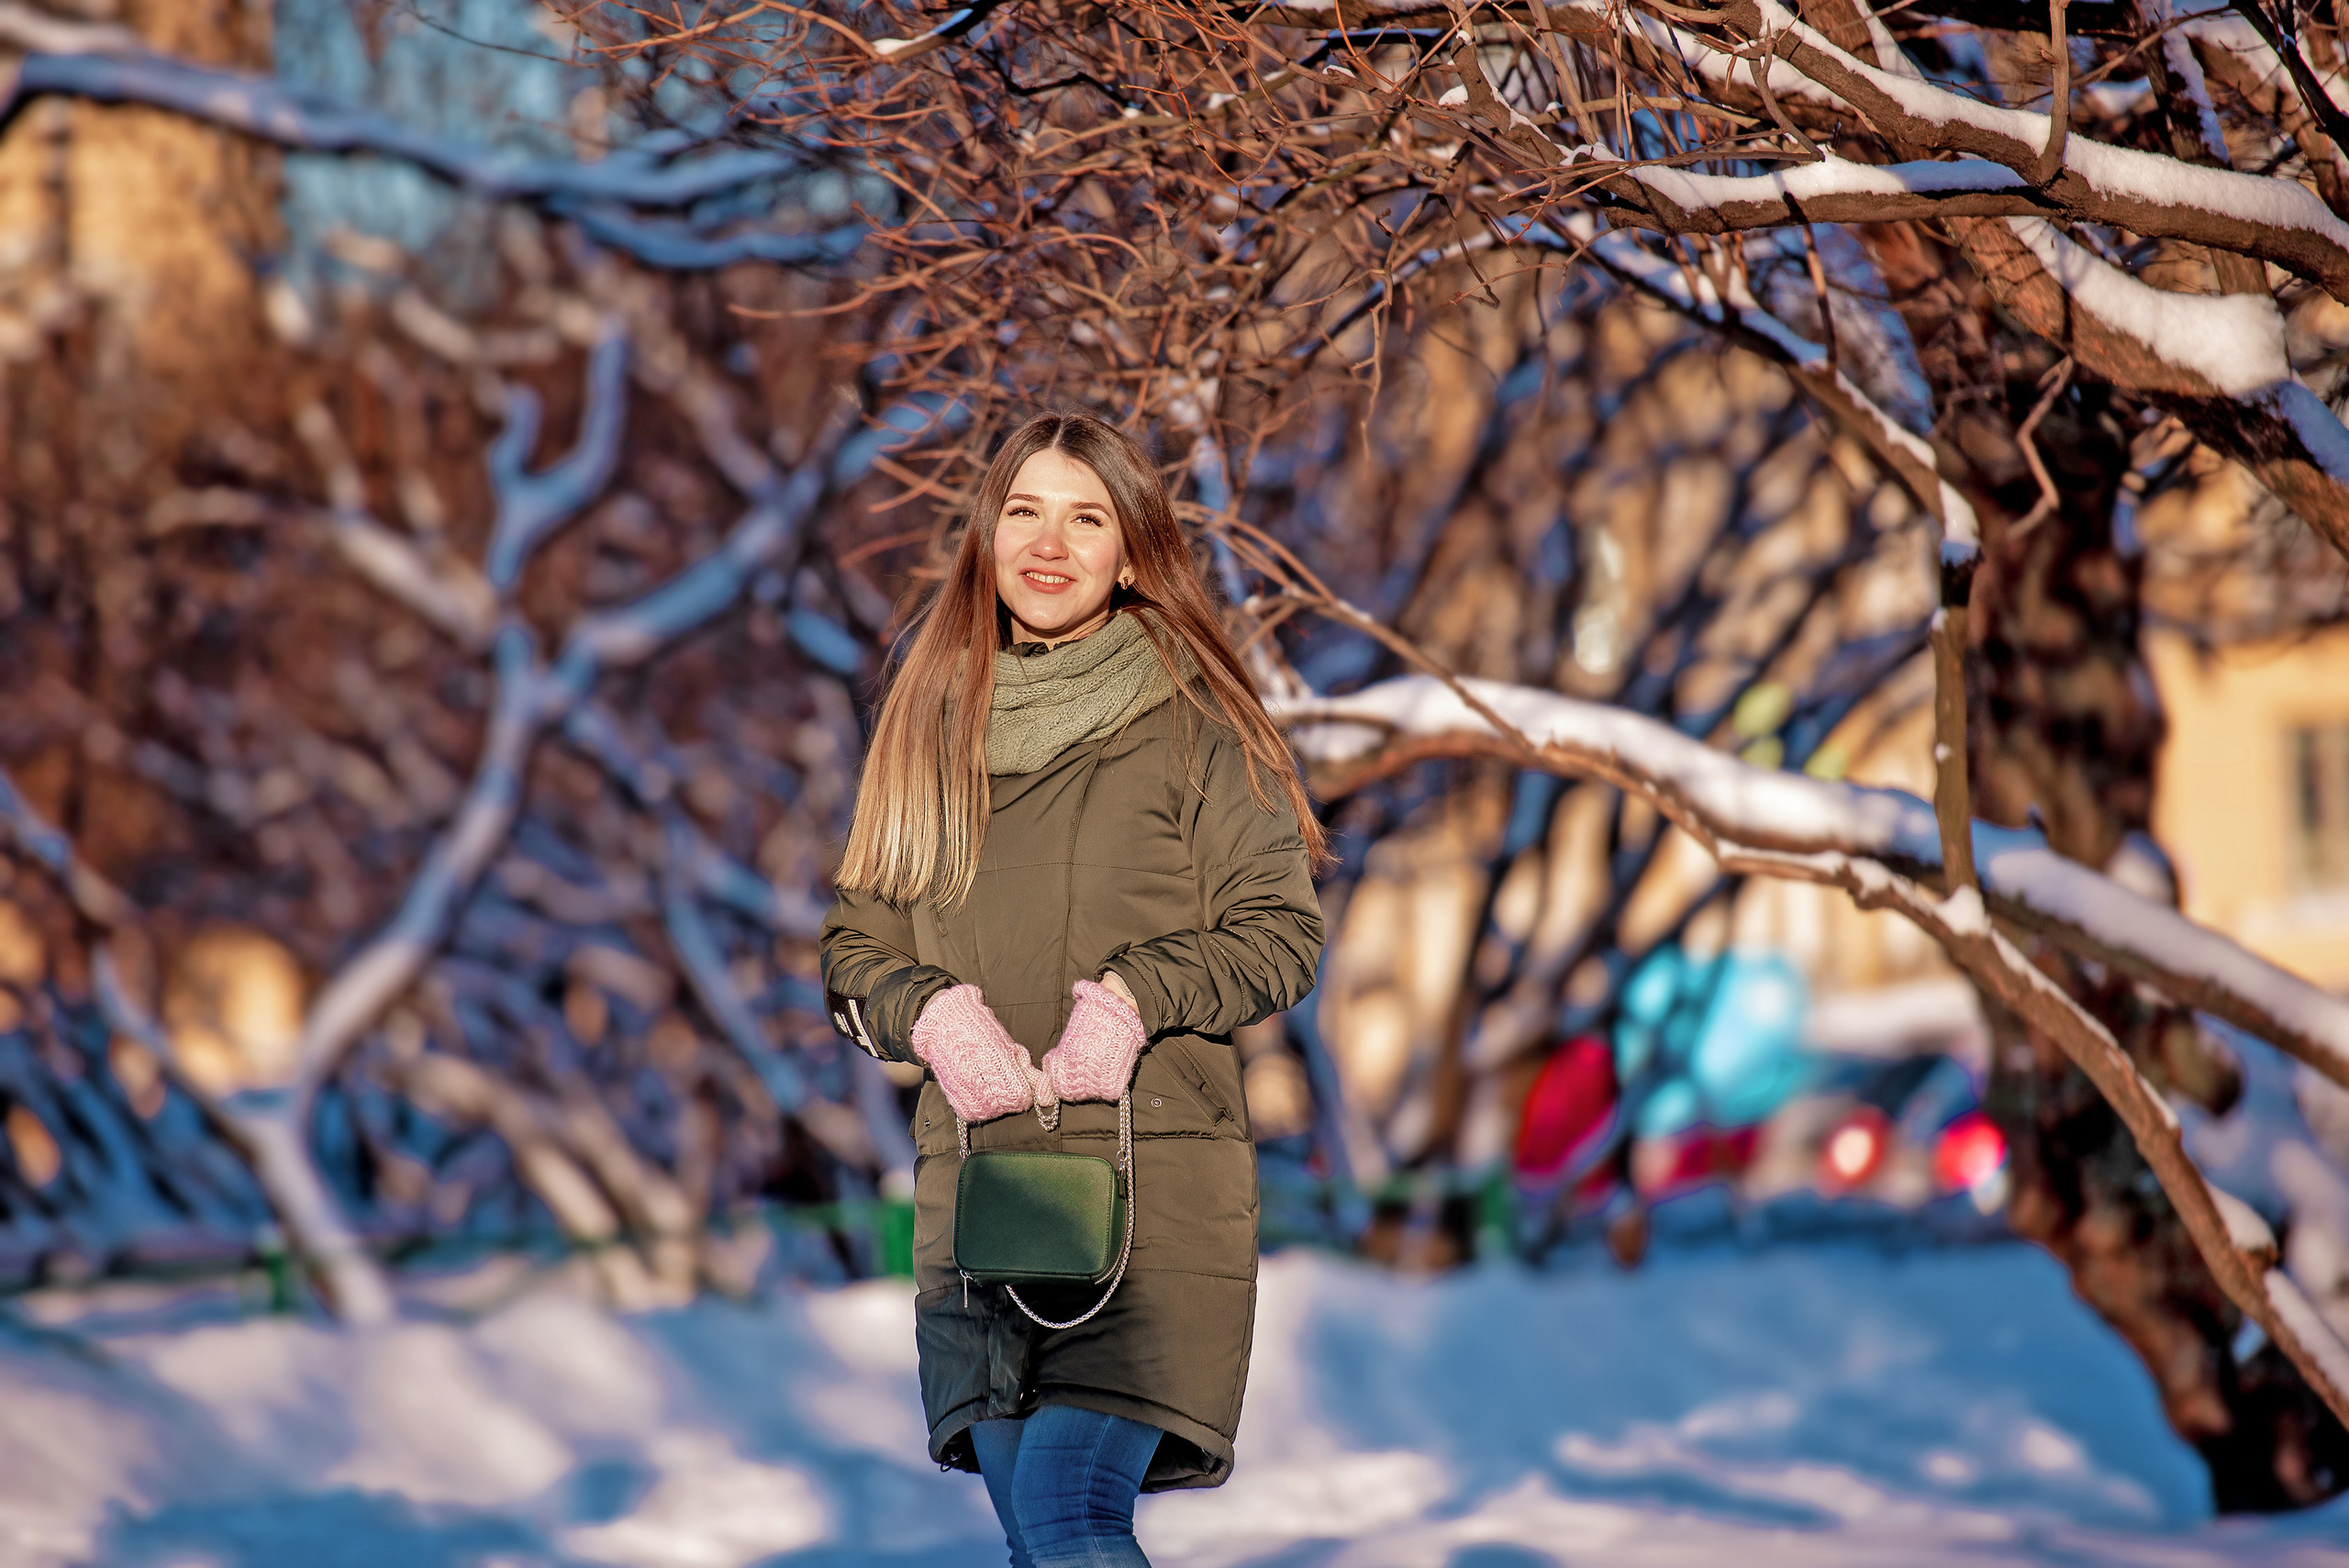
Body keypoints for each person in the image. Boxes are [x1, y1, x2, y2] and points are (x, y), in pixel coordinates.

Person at [819, 412, 1326, 1567]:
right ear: (985, 537)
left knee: (1066, 1513)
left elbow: (1281, 934)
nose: (1050, 543)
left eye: (1086, 516)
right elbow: (854, 950)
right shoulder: (925, 727)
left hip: (1150, 1193)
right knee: (1033, 1537)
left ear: (1132, 551)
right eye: (1025, 511)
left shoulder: (1200, 720)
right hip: (982, 1203)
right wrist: (932, 1015)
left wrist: (1135, 996)